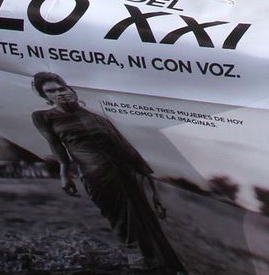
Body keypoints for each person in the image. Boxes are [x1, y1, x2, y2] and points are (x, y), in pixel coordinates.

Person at [31, 73, 187, 274]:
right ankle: (140, 264)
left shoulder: (98, 118)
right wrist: (64, 174)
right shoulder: (44, 117)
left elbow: (127, 149)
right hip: (96, 174)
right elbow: (56, 146)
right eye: (51, 91)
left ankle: (162, 266)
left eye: (62, 88)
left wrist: (152, 188)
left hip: (125, 172)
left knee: (144, 218)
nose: (59, 93)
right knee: (121, 220)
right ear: (46, 97)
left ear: (71, 90)